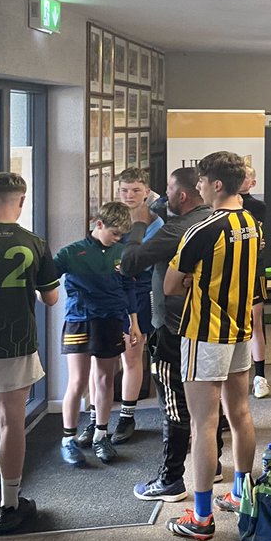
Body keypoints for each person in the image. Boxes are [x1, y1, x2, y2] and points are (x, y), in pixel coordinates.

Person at [163, 151, 262, 541]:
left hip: (205, 334)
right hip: (240, 332)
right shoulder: (252, 223)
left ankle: (201, 518)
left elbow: (172, 285)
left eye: (202, 181)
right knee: (239, 413)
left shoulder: (202, 228)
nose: (198, 187)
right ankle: (240, 493)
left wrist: (192, 281)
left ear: (217, 184)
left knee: (203, 424)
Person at [120, 167, 222, 503]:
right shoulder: (217, 220)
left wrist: (138, 221)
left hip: (173, 330)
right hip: (208, 325)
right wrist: (158, 201)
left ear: (182, 195)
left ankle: (170, 479)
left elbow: (132, 261)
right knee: (209, 401)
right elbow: (171, 201)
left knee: (174, 404)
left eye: (169, 190)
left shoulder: (175, 230)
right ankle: (214, 464)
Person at [0, 172, 60, 533]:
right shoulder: (34, 243)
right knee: (10, 422)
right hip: (17, 343)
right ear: (21, 202)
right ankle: (10, 505)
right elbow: (50, 297)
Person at [55, 201, 139, 466]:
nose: (118, 239)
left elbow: (129, 289)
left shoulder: (122, 253)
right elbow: (45, 280)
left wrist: (133, 323)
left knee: (105, 379)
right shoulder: (71, 252)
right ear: (98, 224)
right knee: (78, 381)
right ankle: (68, 439)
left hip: (111, 319)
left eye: (121, 236)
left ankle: (101, 435)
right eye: (114, 233)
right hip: (79, 319)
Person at [113, 167, 164, 442]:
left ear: (146, 191)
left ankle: (126, 416)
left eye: (135, 190)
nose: (129, 195)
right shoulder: (110, 219)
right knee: (106, 360)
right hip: (112, 296)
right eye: (124, 190)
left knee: (133, 355)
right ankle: (97, 419)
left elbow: (150, 262)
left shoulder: (156, 224)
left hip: (142, 294)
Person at [239, 164, 271, 399]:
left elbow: (256, 239)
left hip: (253, 271)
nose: (242, 181)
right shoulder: (217, 206)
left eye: (246, 177)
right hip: (230, 272)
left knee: (254, 321)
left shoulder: (256, 207)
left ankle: (260, 376)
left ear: (253, 182)